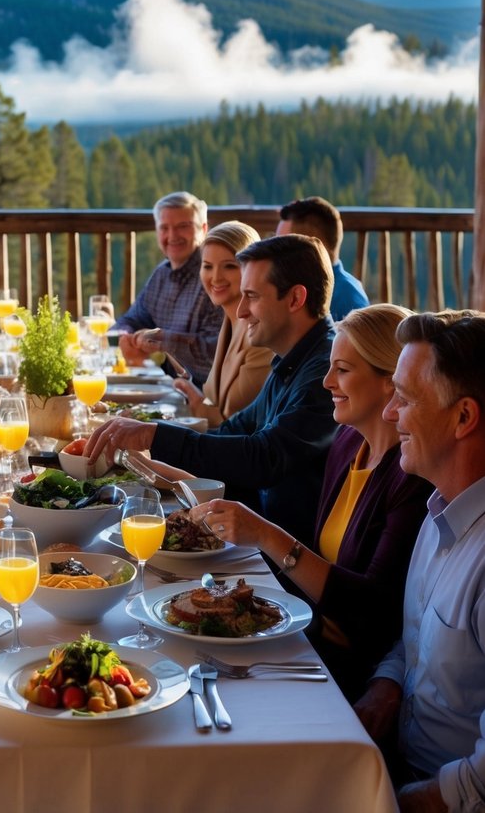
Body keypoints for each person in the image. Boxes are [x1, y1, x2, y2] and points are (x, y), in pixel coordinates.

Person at [192, 303, 430, 700]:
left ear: (391, 381)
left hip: (352, 670)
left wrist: (268, 536)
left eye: (343, 370)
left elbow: (373, 613)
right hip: (309, 635)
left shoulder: (411, 477)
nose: (325, 382)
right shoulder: (349, 443)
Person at [87, 233, 339, 545]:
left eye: (253, 296)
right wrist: (152, 444)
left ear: (295, 299)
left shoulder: (327, 370)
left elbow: (265, 457)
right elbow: (234, 430)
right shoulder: (292, 360)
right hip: (254, 532)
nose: (242, 310)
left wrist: (155, 436)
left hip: (286, 555)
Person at [354, 310, 485, 813]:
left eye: (404, 399)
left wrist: (403, 801)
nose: (389, 414)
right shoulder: (438, 511)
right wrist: (388, 684)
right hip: (394, 760)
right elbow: (417, 637)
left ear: (463, 418)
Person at [114, 191, 223, 386]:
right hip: (160, 386)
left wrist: (161, 340)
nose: (172, 236)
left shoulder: (214, 278)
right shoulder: (161, 274)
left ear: (204, 229)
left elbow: (214, 355)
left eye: (183, 227)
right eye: (164, 228)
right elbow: (133, 318)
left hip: (199, 396)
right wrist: (124, 336)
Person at [173, 220, 272, 424]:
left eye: (229, 266)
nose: (215, 277)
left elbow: (236, 423)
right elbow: (215, 402)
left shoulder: (262, 335)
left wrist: (197, 404)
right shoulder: (230, 320)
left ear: (251, 271)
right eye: (207, 266)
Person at [276, 195, 369, 320]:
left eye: (282, 245)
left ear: (314, 247)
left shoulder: (349, 301)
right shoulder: (299, 287)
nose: (275, 253)